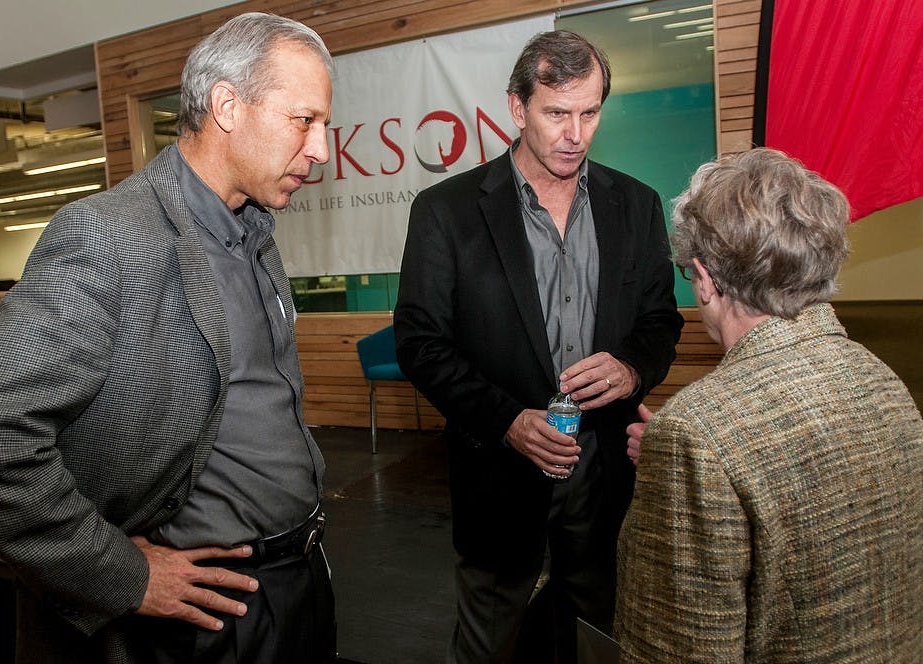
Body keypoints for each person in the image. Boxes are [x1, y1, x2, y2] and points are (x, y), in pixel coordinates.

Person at [0, 12, 337, 663]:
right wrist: (122, 574)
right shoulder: (108, 237)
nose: (320, 149)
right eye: (305, 121)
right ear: (227, 105)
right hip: (203, 620)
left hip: (298, 584)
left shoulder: (255, 231)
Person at [393, 30, 683, 662]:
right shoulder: (446, 212)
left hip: (604, 469)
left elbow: (661, 320)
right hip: (500, 475)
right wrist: (507, 421)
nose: (575, 134)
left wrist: (633, 367)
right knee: (487, 640)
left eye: (589, 113)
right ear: (518, 109)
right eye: (557, 113)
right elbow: (420, 343)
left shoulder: (636, 205)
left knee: (599, 634)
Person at [615, 148, 923, 662]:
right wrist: (686, 482)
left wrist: (686, 468)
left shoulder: (696, 433)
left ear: (706, 278)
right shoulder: (884, 381)